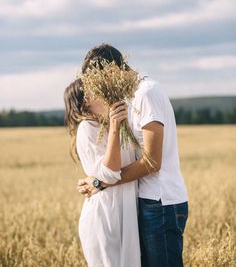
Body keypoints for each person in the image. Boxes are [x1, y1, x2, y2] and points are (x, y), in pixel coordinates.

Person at [77, 43, 188, 267]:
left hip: (161, 202)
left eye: (99, 83)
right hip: (148, 200)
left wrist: (102, 182)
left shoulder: (147, 93)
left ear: (111, 71)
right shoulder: (133, 97)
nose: (99, 93)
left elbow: (152, 161)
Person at [64, 78, 141, 267]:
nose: (105, 93)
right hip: (105, 217)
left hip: (124, 214)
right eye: (97, 89)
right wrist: (115, 127)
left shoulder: (114, 124)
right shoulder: (87, 129)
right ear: (86, 101)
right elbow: (109, 172)